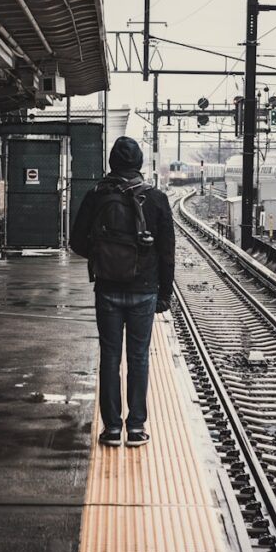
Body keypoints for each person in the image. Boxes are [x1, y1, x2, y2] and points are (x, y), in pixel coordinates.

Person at [70, 136, 175, 448]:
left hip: (107, 290)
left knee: (110, 358)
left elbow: (76, 242)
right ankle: (137, 429)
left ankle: (112, 429)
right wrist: (164, 294)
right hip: (144, 291)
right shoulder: (156, 198)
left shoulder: (96, 195)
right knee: (139, 358)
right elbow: (167, 252)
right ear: (139, 163)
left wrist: (104, 255)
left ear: (112, 162)